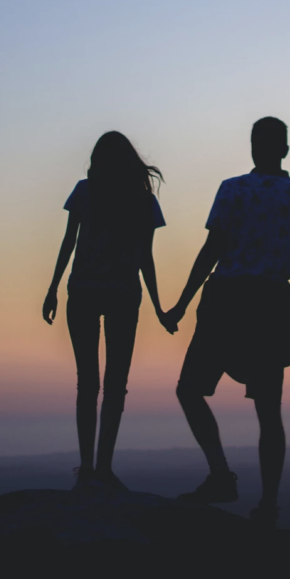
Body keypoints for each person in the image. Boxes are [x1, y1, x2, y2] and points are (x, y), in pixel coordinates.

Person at [164, 117, 290, 529]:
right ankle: (268, 505)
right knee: (268, 411)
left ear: (254, 148)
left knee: (190, 389)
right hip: (271, 306)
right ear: (286, 150)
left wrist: (182, 304)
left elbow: (212, 250)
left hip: (226, 300)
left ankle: (221, 475)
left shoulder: (233, 189)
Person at [43, 132, 174, 490]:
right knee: (115, 386)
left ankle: (88, 468)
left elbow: (69, 242)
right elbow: (145, 258)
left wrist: (53, 288)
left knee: (88, 383)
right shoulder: (143, 201)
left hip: (83, 291)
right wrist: (160, 308)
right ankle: (102, 468)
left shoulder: (85, 191)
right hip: (122, 294)